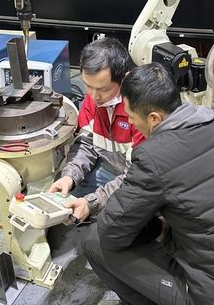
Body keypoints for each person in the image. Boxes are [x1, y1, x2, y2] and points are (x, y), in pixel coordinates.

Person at [83, 63, 214, 305]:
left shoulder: (154, 157)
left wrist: (155, 227)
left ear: (154, 118)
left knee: (95, 240)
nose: (132, 124)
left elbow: (112, 233)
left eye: (132, 118)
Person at [48, 37, 144, 221]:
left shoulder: (140, 111)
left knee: (117, 224)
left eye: (103, 89)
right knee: (63, 198)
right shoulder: (92, 101)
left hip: (137, 179)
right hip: (107, 170)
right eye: (88, 86)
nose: (94, 96)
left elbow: (137, 175)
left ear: (124, 79)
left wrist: (93, 202)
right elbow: (85, 144)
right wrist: (70, 176)